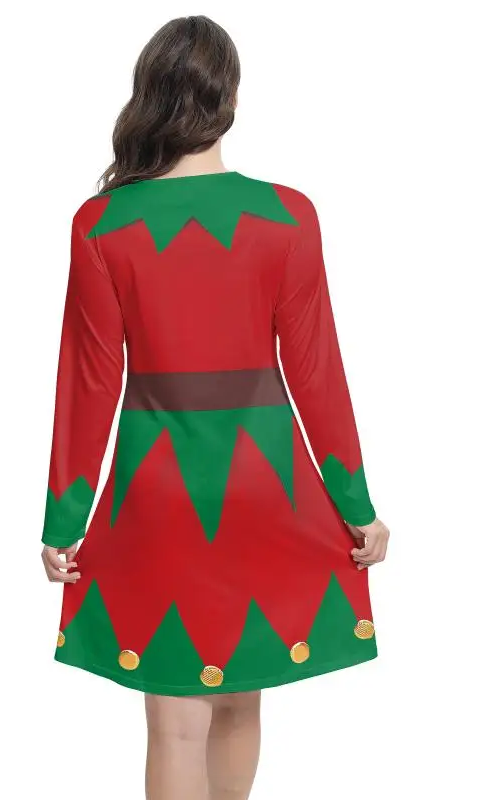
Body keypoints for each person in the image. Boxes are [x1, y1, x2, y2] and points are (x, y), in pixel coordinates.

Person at [40, 15, 390, 800]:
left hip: (159, 485)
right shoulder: (287, 215)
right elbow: (318, 374)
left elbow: (89, 381)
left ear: (149, 96)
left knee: (176, 724)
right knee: (238, 697)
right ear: (229, 96)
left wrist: (64, 520)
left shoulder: (102, 224)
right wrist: (358, 507)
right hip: (265, 481)